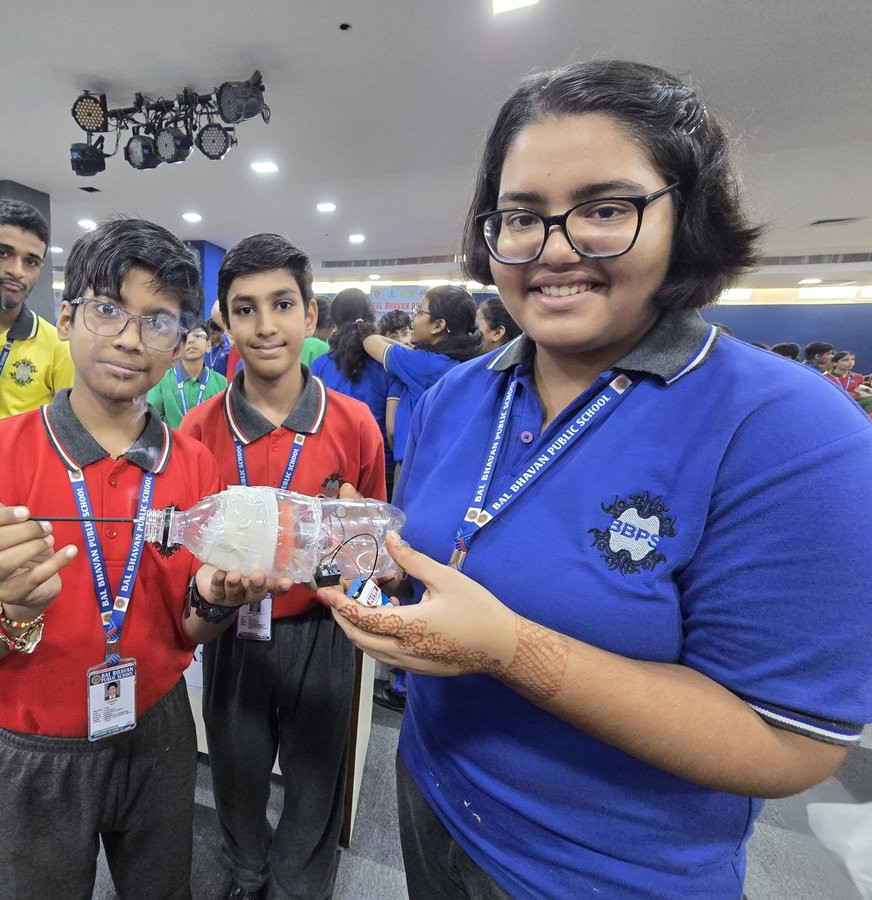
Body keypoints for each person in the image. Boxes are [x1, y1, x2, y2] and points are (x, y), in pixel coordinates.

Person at [319, 60, 872, 899]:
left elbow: (787, 744)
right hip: (431, 798)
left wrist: (511, 651)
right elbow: (453, 555)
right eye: (520, 217)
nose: (555, 249)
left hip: (605, 873)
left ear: (686, 215)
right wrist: (389, 563)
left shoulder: (792, 431)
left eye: (605, 210)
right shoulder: (459, 395)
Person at [0, 218, 289, 899]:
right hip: (35, 744)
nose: (129, 337)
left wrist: (217, 600)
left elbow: (189, 626)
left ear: (181, 341)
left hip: (157, 730)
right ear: (66, 319)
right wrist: (10, 608)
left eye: (158, 321)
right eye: (108, 310)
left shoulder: (193, 463)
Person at [180, 233, 385, 900]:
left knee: (315, 779)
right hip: (232, 632)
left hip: (322, 633)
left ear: (311, 315)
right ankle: (245, 871)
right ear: (225, 322)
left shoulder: (354, 424)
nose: (265, 326)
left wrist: (358, 553)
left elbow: (371, 550)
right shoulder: (199, 431)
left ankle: (301, 884)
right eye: (245, 309)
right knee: (235, 772)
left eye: (282, 304)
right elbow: (186, 551)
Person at [0, 198, 74, 421]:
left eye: (31, 262)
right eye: (2, 253)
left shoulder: (58, 347)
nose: (17, 271)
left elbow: (68, 428)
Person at [362, 285, 481, 482]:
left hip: (415, 464)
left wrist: (404, 347)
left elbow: (370, 341)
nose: (413, 319)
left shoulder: (424, 364)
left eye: (418, 312)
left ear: (438, 325)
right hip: (443, 463)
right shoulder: (458, 362)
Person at [310, 287, 393, 483]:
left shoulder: (321, 365)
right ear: (371, 318)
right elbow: (392, 427)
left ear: (334, 322)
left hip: (333, 460)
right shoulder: (387, 364)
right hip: (381, 461)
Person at [146, 321, 226, 427]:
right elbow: (150, 420)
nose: (191, 340)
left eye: (197, 335)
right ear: (177, 347)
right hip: (173, 437)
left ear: (208, 345)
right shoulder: (162, 379)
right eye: (184, 337)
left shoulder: (221, 382)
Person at [298, 295, 333, 367]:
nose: (332, 331)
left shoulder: (295, 342)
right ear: (327, 321)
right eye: (332, 325)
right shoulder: (323, 348)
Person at [204, 301, 232, 376]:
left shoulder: (228, 349)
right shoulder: (205, 349)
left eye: (214, 333)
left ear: (222, 331)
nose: (211, 336)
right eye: (209, 333)